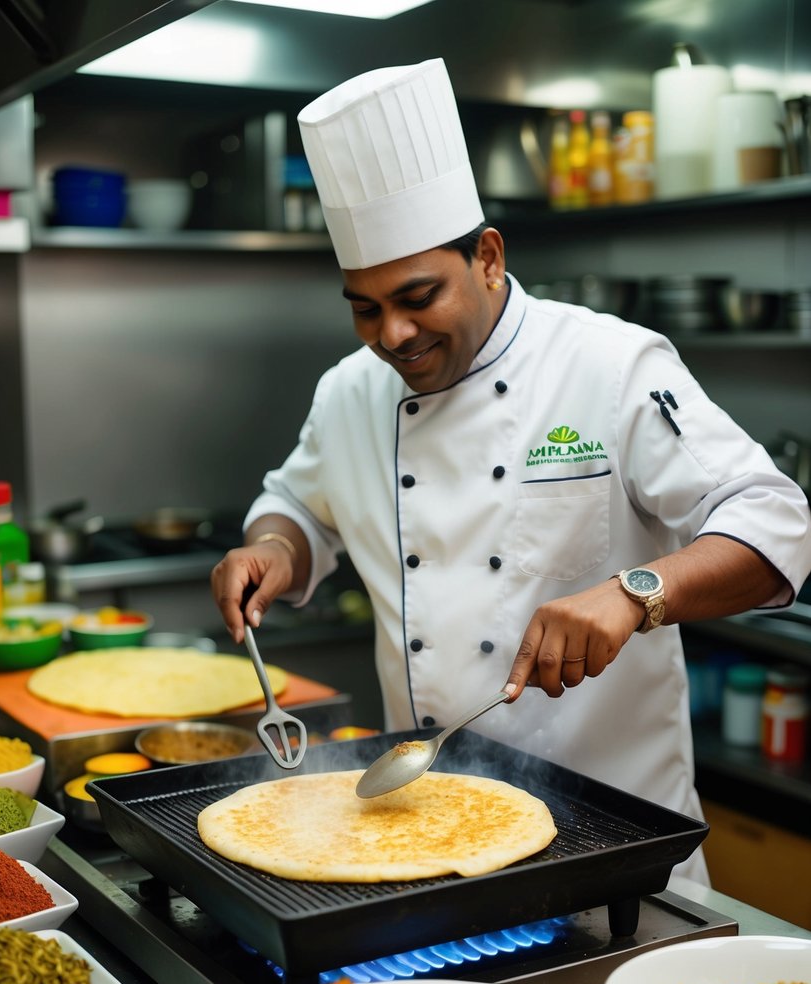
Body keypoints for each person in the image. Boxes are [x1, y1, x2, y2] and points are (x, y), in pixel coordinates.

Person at [212, 59, 811, 884]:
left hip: (613, 845)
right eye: (364, 306)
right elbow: (297, 504)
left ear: (488, 257)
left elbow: (773, 520)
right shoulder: (351, 391)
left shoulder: (607, 363)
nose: (391, 334)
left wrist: (634, 594)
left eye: (418, 296)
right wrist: (274, 549)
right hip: (418, 836)